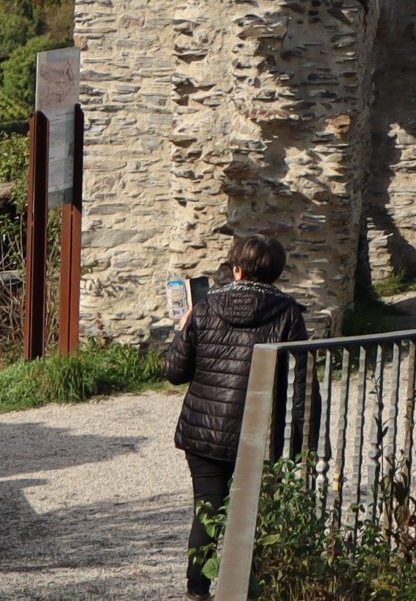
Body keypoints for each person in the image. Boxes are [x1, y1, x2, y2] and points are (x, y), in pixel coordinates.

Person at [163, 232, 307, 601]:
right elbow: (298, 379)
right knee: (254, 514)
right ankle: (250, 588)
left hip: (204, 430)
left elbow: (175, 372)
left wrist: (182, 332)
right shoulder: (288, 312)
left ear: (237, 270)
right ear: (275, 272)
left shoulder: (206, 308)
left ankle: (198, 590)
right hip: (257, 430)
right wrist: (296, 438)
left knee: (206, 510)